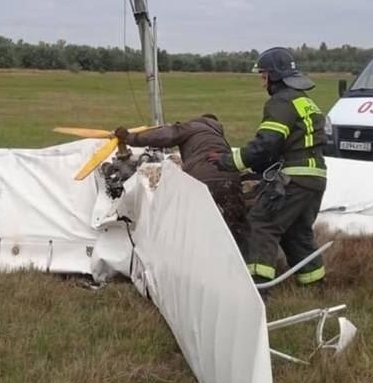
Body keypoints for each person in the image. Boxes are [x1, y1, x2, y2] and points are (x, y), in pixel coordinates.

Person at [210, 47, 327, 290]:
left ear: (275, 76)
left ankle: (257, 290)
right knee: (297, 233)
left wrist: (227, 162)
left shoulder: (281, 102)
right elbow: (280, 147)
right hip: (315, 178)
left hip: (294, 179)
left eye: (263, 77)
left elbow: (266, 144)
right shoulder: (305, 101)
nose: (263, 84)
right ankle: (316, 288)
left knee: (261, 224)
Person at [113, 114, 247, 249]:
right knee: (234, 228)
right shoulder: (218, 137)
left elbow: (165, 136)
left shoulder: (194, 126)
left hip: (203, 180)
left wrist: (129, 137)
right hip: (231, 179)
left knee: (198, 228)